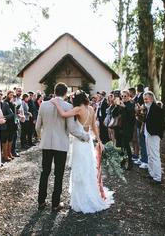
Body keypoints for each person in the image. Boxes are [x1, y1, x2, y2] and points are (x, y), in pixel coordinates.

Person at [51, 89, 114, 214]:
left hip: (79, 142)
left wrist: (56, 103)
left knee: (79, 167)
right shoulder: (91, 109)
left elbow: (63, 114)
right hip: (89, 140)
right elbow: (95, 127)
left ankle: (82, 198)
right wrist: (99, 140)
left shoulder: (78, 109)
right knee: (88, 167)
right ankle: (90, 192)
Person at [36, 83, 91, 212]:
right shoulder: (68, 106)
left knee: (45, 172)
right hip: (61, 145)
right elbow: (72, 129)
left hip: (46, 144)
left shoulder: (43, 105)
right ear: (66, 93)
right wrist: (85, 136)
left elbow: (37, 126)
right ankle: (55, 204)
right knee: (59, 174)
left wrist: (40, 137)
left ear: (54, 91)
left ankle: (41, 201)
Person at [143, 91, 165, 184]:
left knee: (155, 156)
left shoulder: (156, 109)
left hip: (154, 135)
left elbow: (162, 124)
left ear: (151, 99)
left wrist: (156, 134)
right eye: (144, 99)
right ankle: (152, 173)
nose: (145, 101)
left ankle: (157, 177)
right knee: (149, 155)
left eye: (146, 99)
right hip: (148, 134)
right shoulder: (148, 108)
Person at [0, 90, 16, 161]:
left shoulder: (11, 103)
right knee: (5, 140)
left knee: (10, 139)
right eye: (10, 95)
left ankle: (9, 153)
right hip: (7, 124)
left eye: (12, 95)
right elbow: (3, 114)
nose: (11, 96)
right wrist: (10, 115)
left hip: (12, 124)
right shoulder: (5, 103)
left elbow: (14, 113)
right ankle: (5, 155)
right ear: (7, 95)